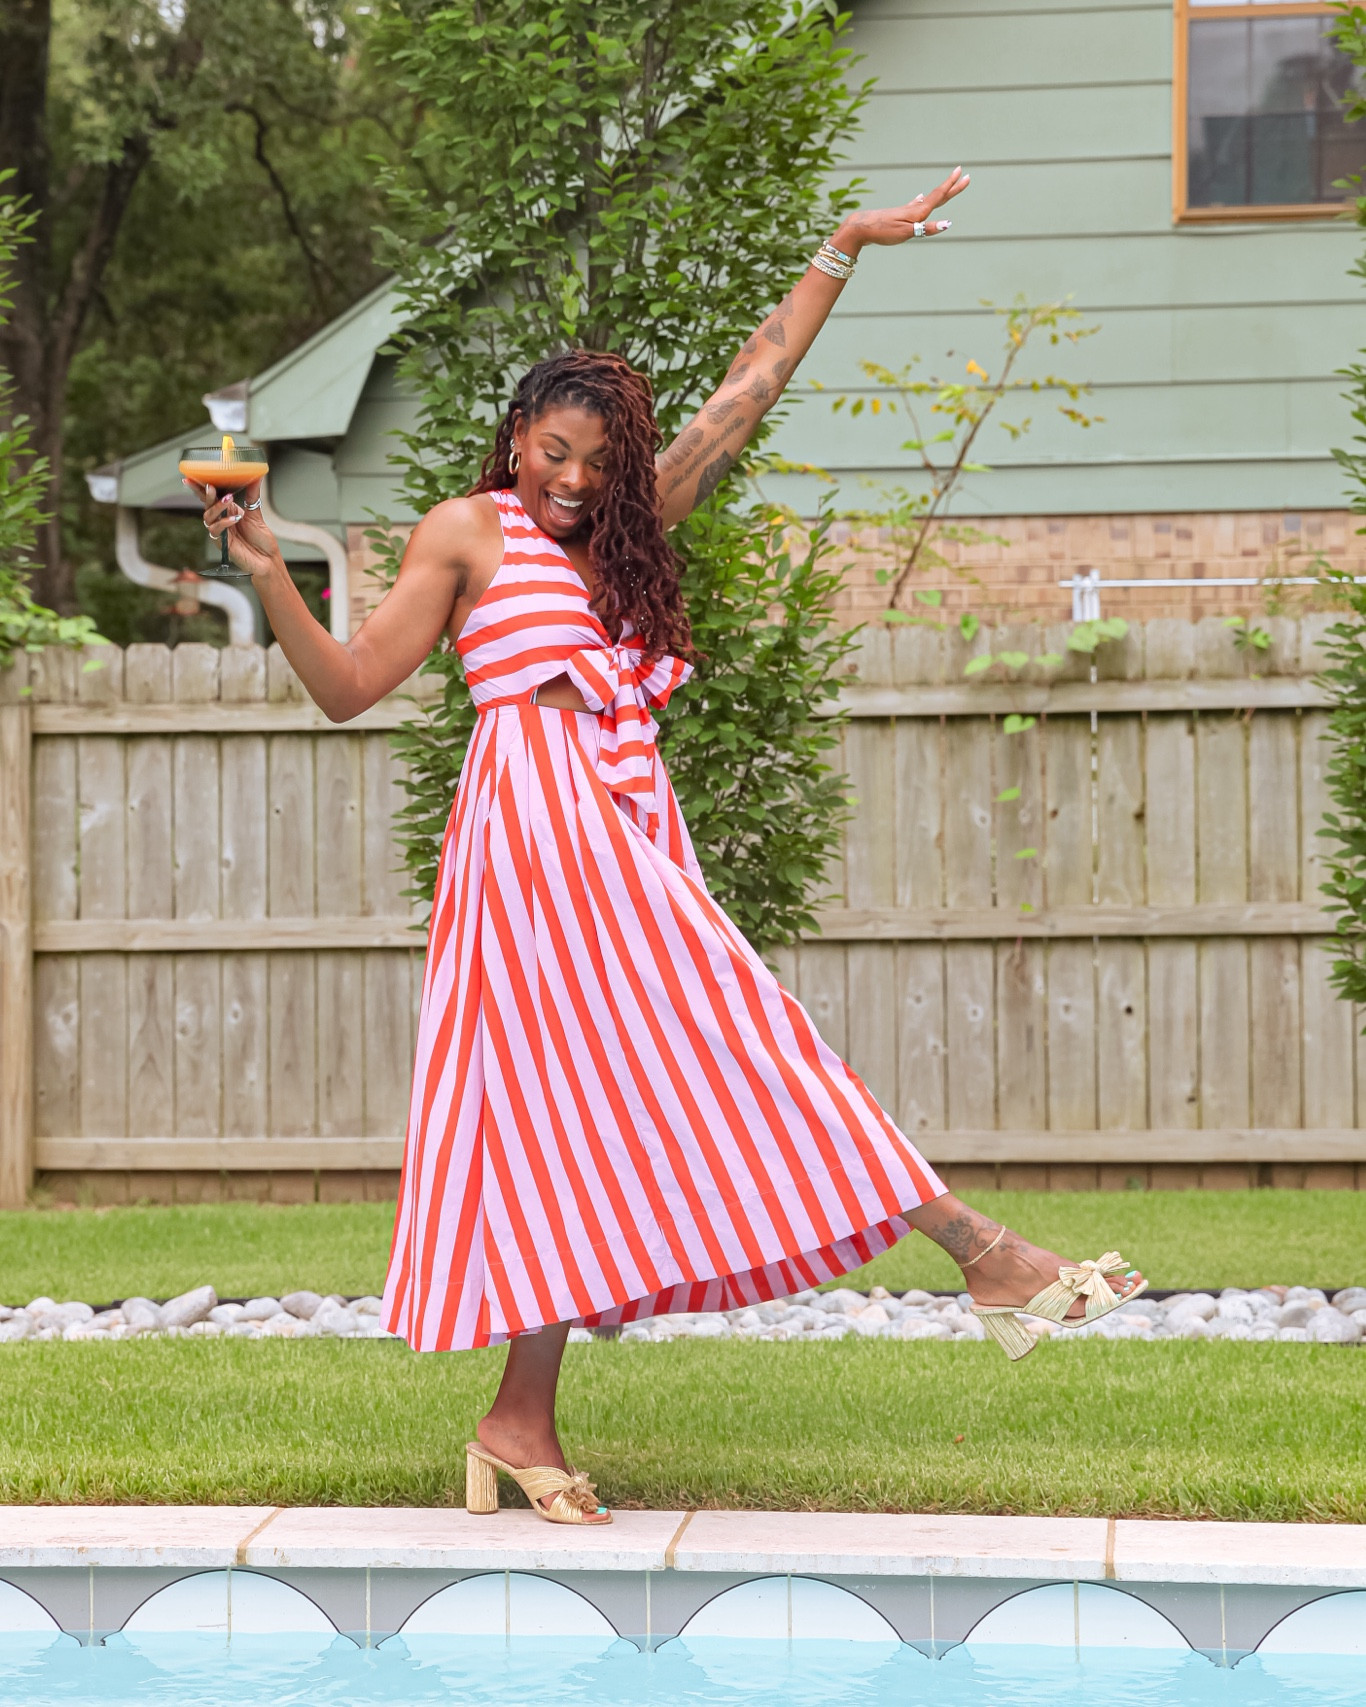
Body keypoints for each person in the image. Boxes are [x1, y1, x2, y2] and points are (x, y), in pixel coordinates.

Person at [193, 168, 1143, 1528]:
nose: (575, 483)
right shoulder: (467, 532)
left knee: (587, 1120)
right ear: (515, 435)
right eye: (554, 454)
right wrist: (268, 567)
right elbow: (350, 686)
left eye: (598, 463)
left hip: (622, 827)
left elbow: (746, 389)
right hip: (528, 845)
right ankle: (981, 1253)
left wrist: (838, 249)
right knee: (730, 1045)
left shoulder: (628, 529)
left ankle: (518, 1419)